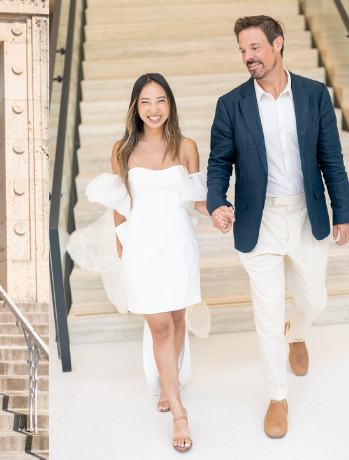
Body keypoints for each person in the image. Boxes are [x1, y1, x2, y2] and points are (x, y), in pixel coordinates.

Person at [206, 15, 349, 438]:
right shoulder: (231, 104)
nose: (247, 57)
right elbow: (219, 164)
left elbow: (332, 158)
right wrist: (218, 201)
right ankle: (277, 396)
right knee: (267, 315)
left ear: (278, 44)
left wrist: (343, 211)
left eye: (254, 48)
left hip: (307, 215)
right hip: (260, 220)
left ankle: (300, 333)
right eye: (242, 50)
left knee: (314, 300)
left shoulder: (313, 94)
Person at [85, 73, 210, 452]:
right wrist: (123, 246)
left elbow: (197, 199)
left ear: (169, 105)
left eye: (160, 101)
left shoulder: (186, 147)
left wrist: (222, 212)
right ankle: (178, 412)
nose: (153, 109)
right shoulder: (122, 149)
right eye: (145, 102)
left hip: (178, 245)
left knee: (176, 319)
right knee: (159, 327)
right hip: (141, 246)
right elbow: (122, 203)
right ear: (136, 108)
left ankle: (168, 385)